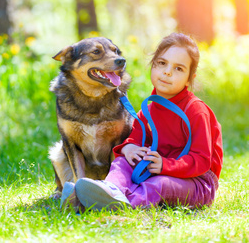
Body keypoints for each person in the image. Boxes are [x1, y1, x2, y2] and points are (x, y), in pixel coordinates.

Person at [61, 32, 223, 211]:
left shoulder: (195, 110)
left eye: (179, 68)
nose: (167, 72)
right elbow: (135, 138)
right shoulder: (149, 109)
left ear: (189, 78)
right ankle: (110, 190)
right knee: (122, 162)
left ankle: (120, 206)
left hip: (197, 183)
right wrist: (129, 148)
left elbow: (201, 161)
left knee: (160, 184)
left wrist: (166, 165)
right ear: (152, 65)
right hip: (157, 170)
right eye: (162, 63)